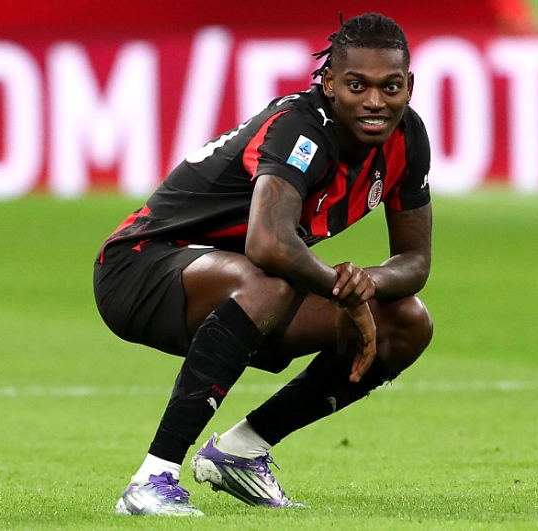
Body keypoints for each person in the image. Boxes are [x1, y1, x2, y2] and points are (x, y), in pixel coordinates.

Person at [93, 12, 433, 516]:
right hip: (140, 267)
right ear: (329, 83)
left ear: (409, 85)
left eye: (391, 87)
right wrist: (348, 296)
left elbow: (416, 260)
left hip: (238, 277)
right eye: (357, 85)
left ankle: (242, 450)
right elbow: (269, 245)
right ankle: (152, 480)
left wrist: (368, 284)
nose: (375, 102)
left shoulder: (407, 137)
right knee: (266, 284)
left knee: (406, 321)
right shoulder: (301, 129)